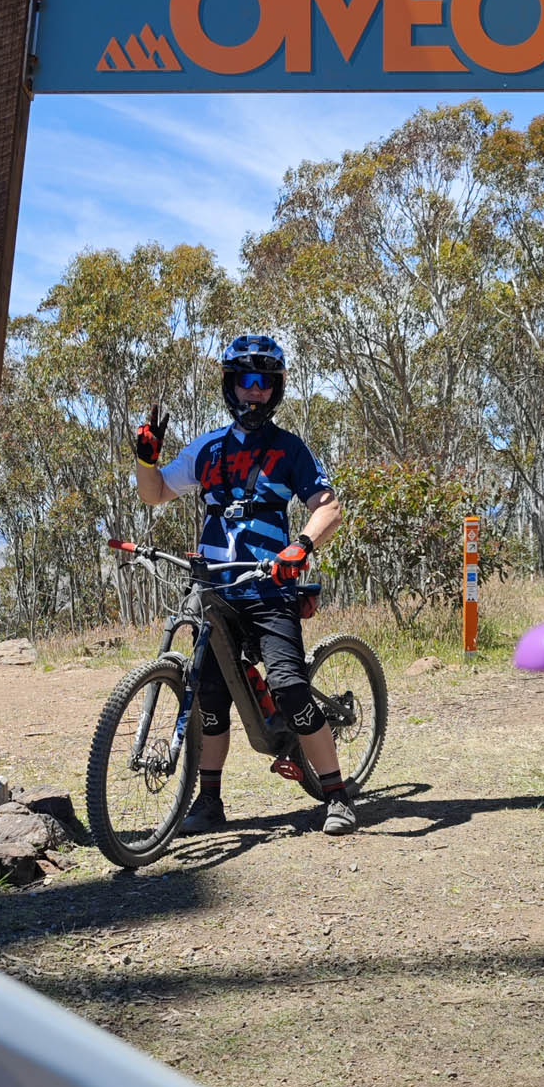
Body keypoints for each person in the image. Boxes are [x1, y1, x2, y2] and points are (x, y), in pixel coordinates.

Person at [131, 334, 357, 837]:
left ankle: (337, 795)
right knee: (210, 699)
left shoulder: (289, 449)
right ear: (231, 386)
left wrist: (300, 546)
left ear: (275, 389)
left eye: (264, 382)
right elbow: (156, 493)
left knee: (290, 688)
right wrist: (147, 460)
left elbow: (329, 507)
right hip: (215, 592)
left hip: (269, 590)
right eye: (245, 381)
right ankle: (209, 802)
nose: (254, 391)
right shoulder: (208, 448)